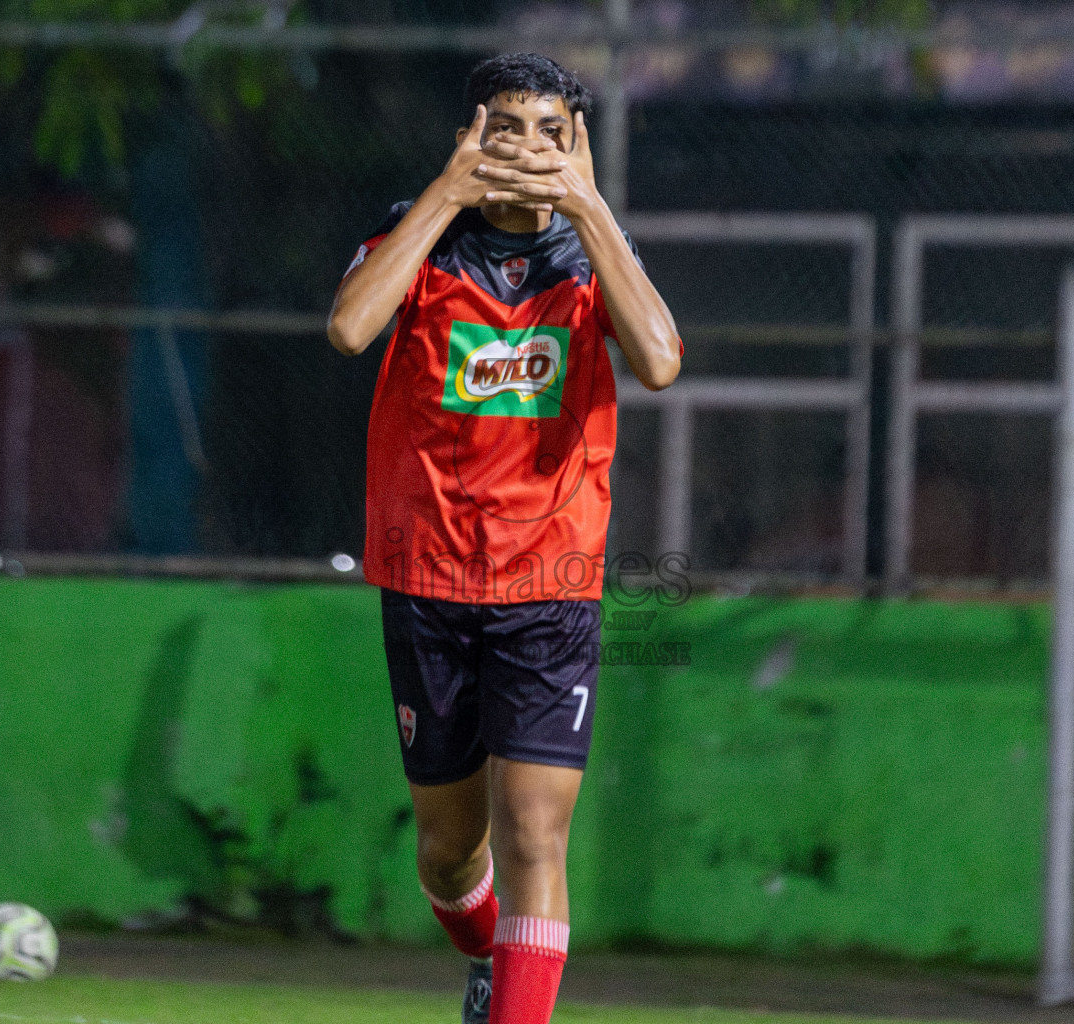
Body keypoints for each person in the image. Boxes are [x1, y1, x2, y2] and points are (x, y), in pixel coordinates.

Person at [327, 52, 680, 1024]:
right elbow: (351, 327)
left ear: (575, 145)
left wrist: (593, 211)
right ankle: (488, 959)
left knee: (535, 835)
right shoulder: (421, 237)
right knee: (450, 849)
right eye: (506, 128)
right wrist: (444, 194)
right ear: (471, 135)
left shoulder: (588, 256)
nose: (525, 148)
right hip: (428, 580)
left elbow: (657, 359)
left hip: (549, 583)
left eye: (547, 131)